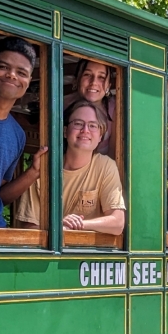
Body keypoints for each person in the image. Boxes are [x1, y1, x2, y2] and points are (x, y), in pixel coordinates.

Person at [0, 37, 48, 228]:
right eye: (4, 67)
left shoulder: (18, 135)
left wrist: (34, 172)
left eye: (21, 72)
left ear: (28, 81)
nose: (12, 75)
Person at [16, 100, 125, 235]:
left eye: (92, 126)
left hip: (90, 254)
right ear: (65, 131)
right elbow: (29, 228)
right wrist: (60, 227)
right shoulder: (44, 169)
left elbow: (118, 223)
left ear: (100, 137)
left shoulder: (106, 166)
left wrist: (75, 225)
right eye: (78, 124)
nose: (85, 130)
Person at [63, 59, 116, 157]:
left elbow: (114, 155)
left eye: (101, 77)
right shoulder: (61, 105)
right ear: (76, 80)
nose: (93, 82)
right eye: (87, 75)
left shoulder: (116, 110)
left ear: (108, 86)